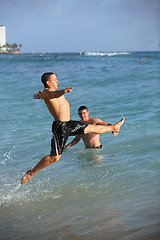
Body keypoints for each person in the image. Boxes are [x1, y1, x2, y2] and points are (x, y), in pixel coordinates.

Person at [21, 72, 125, 184]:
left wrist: (41, 95)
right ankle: (31, 173)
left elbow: (49, 95)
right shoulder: (50, 92)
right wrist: (63, 91)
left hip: (68, 124)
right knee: (55, 158)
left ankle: (114, 127)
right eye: (55, 79)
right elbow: (53, 95)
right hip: (60, 128)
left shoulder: (47, 93)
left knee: (91, 128)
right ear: (48, 82)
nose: (57, 81)